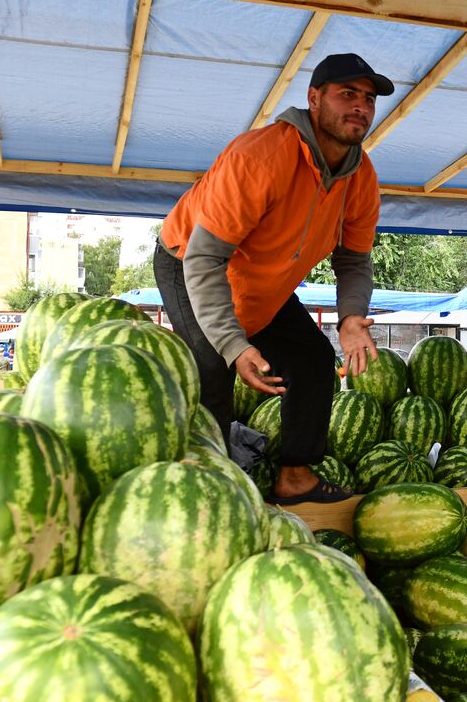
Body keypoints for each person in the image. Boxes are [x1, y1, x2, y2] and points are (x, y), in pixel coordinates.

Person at [153, 53, 393, 504]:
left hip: (263, 279)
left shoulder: (361, 177)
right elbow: (205, 260)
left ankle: (295, 476)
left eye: (367, 98)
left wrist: (350, 318)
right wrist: (233, 344)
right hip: (189, 261)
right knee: (212, 370)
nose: (359, 106)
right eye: (347, 94)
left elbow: (355, 260)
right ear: (314, 98)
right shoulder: (260, 156)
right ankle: (211, 497)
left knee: (312, 359)